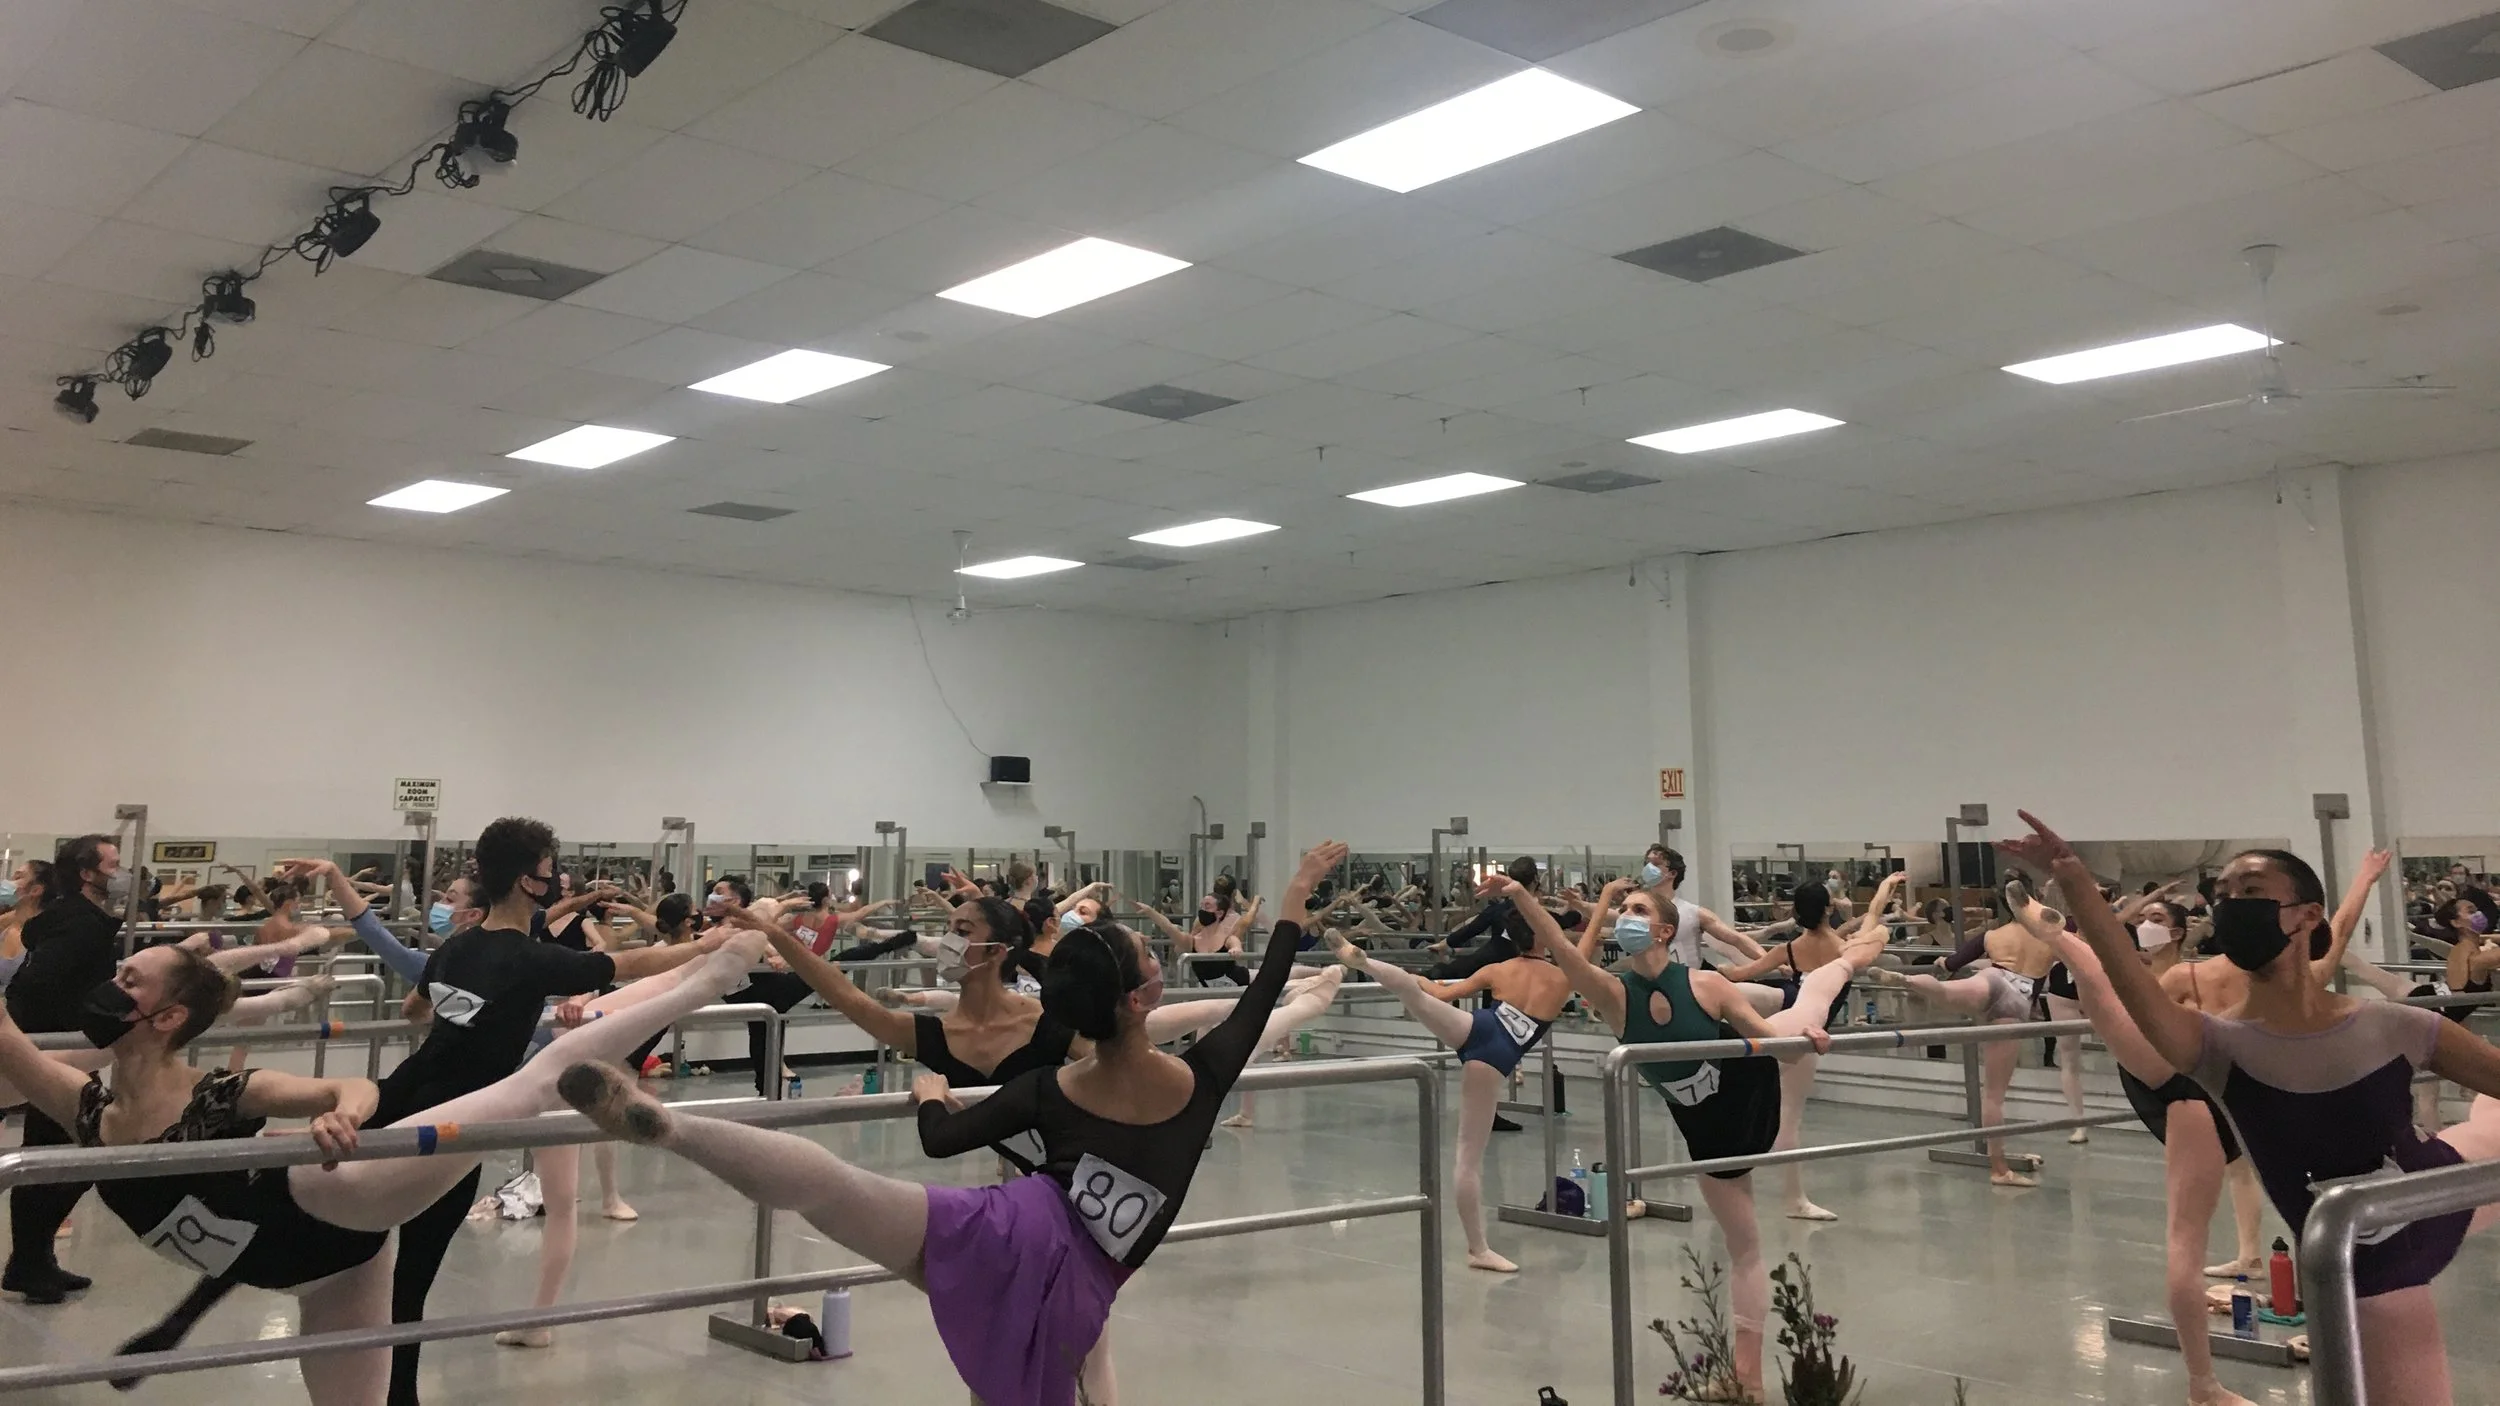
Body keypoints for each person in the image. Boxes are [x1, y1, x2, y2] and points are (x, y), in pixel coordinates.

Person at [559, 840, 1347, 1406]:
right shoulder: (1202, 1080)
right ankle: (673, 1130)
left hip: (1012, 1223)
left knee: (834, 1187)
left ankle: (681, 1131)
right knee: (1039, 1377)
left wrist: (933, 1093)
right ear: (1143, 1001)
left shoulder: (1049, 1084)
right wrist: (1290, 905)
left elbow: (939, 1138)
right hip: (1087, 1272)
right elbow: (1253, 997)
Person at [0, 915, 766, 1405]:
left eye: (128, 979)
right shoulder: (89, 1108)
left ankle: (706, 983)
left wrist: (347, 1112)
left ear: (163, 1016)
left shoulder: (224, 1093)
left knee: (534, 1084)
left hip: (335, 1209)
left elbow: (351, 1084)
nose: (110, 984)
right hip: (318, 1274)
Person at [2003, 813, 2500, 1406]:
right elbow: (2122, 986)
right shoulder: (2215, 1046)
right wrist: (2075, 884)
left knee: (2488, 1120)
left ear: (2306, 914)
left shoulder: (2396, 1025)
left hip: (2432, 1188)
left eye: (2252, 891)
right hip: (2374, 1265)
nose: (2233, 903)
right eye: (2225, 895)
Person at [1524, 876, 1876, 1400]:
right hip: (1704, 1126)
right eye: (1624, 909)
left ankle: (1860, 949)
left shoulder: (1707, 985)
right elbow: (1560, 948)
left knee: (1814, 997)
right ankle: (1747, 1377)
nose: (1627, 915)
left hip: (1747, 1089)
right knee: (1744, 1246)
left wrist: (1805, 1044)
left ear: (1665, 930)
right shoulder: (1616, 994)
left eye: (1637, 908)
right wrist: (1519, 896)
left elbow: (1774, 1043)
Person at [1322, 874, 1577, 1274]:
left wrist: (1424, 980)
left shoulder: (1500, 968)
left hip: (1475, 1026)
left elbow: (1439, 993)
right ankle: (1478, 1249)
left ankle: (1366, 962)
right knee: (1467, 1159)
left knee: (1412, 991)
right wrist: (1609, 897)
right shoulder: (1564, 978)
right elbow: (1589, 942)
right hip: (1496, 1055)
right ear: (1544, 938)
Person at [1712, 872, 1905, 1215]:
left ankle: (1733, 1179)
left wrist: (1719, 970)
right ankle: (1794, 1200)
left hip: (1781, 1023)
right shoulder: (1844, 950)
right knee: (1788, 1119)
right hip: (1802, 1033)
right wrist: (1884, 889)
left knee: (1746, 1096)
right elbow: (1873, 919)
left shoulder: (1788, 949)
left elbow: (1741, 974)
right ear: (1829, 907)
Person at [1869, 878, 2058, 1188]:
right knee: (1994, 1095)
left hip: (1992, 977)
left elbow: (1951, 962)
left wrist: (1944, 962)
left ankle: (1907, 981)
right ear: (2033, 899)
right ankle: (2000, 1169)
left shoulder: (1992, 935)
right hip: (2017, 999)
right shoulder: (2050, 936)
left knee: (1945, 990)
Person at [4, 834, 128, 1303]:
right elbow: (37, 982)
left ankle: (32, 1261)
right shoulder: (81, 924)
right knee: (74, 1155)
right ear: (87, 873)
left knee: (56, 1153)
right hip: (57, 1054)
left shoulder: (80, 919)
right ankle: (30, 1261)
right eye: (113, 865)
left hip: (61, 1052)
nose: (121, 873)